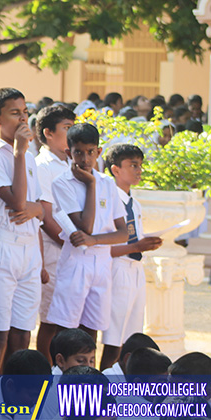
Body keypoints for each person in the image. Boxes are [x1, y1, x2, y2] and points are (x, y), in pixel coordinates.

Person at [0, 88, 45, 375]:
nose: (23, 118)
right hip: (1, 246)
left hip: (29, 247)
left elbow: (39, 206)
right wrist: (18, 152)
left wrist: (35, 208)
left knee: (22, 334)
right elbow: (16, 201)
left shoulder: (29, 153)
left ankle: (17, 399)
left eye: (25, 112)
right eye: (15, 113)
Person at [46, 123, 128, 342]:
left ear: (99, 152)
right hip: (76, 262)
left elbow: (123, 234)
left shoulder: (108, 183)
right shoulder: (62, 183)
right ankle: (63, 374)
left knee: (92, 326)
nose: (85, 159)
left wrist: (93, 241)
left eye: (90, 152)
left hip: (101, 261)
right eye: (78, 153)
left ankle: (88, 374)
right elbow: (86, 226)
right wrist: (90, 184)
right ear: (68, 153)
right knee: (66, 327)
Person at [100, 144, 162, 370]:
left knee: (132, 340)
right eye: (133, 165)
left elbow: (136, 239)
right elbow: (103, 246)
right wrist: (136, 245)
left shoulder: (134, 203)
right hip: (117, 268)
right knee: (113, 340)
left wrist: (146, 244)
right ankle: (104, 384)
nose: (139, 170)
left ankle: (123, 391)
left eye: (140, 165)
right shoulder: (107, 200)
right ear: (115, 170)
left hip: (135, 268)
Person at [34, 105, 75, 363]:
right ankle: (45, 374)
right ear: (48, 133)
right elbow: (46, 216)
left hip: (74, 251)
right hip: (55, 249)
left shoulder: (71, 163)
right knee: (50, 321)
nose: (72, 134)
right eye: (67, 128)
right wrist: (73, 242)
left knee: (69, 320)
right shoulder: (43, 165)